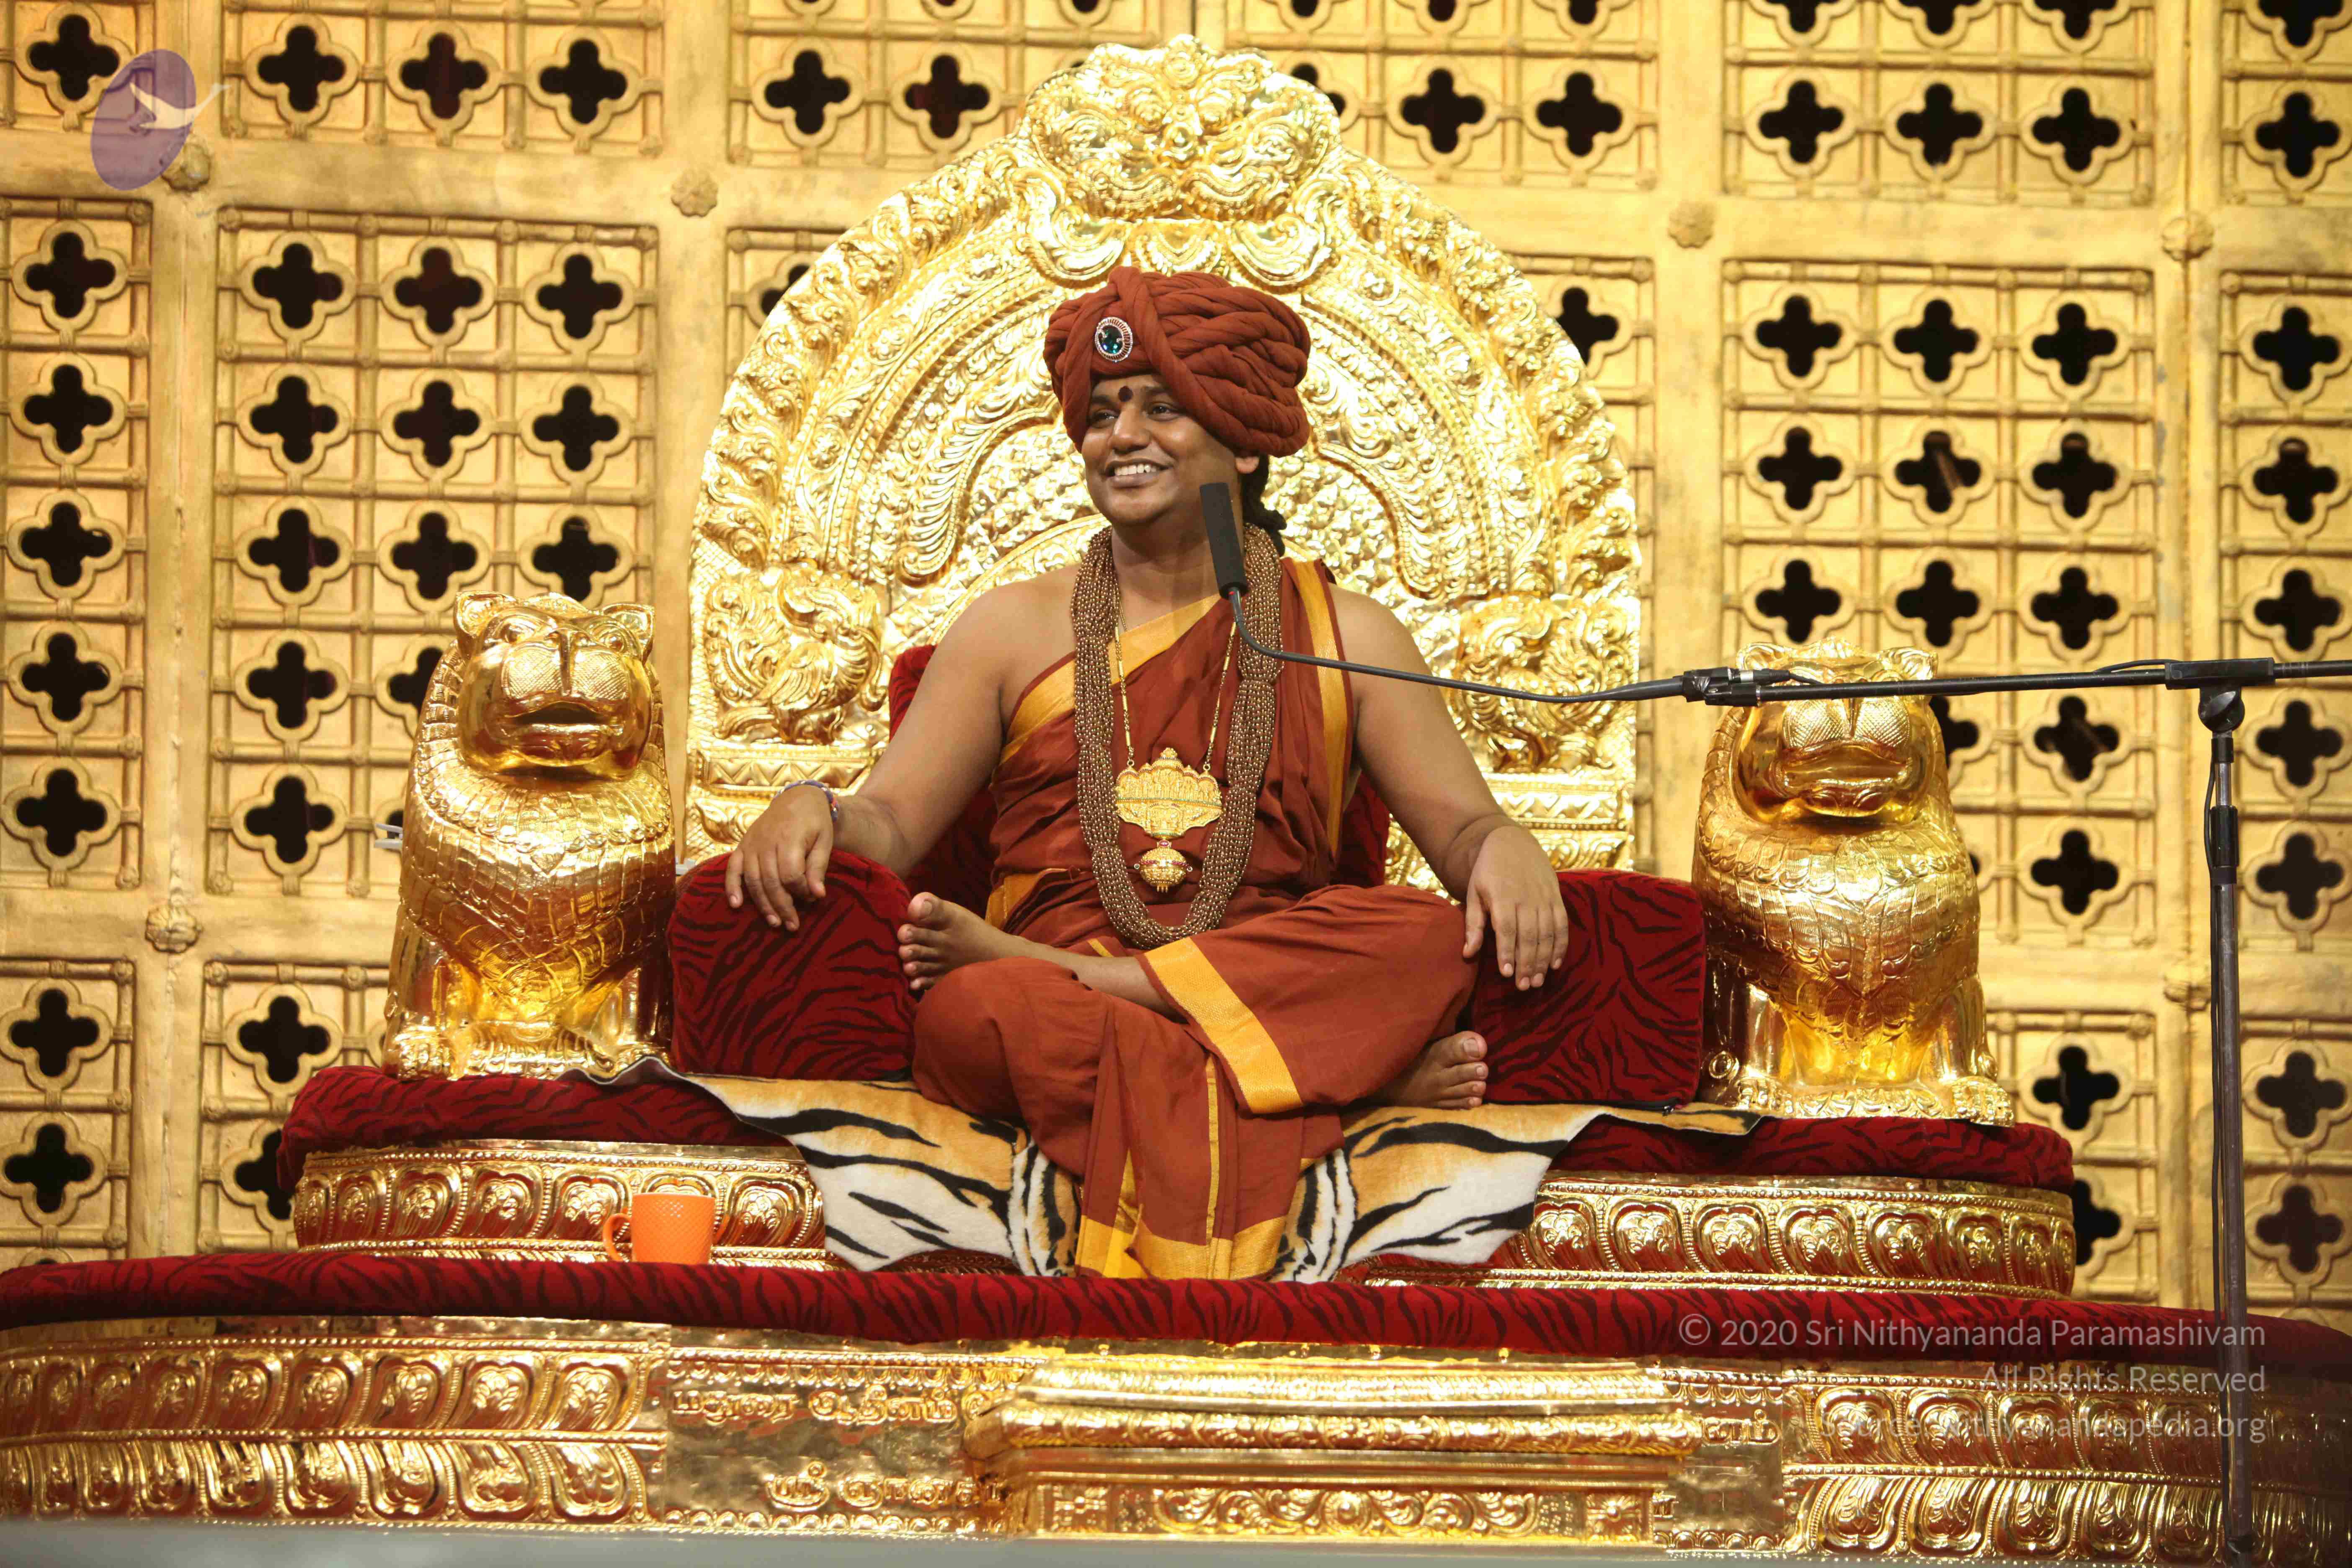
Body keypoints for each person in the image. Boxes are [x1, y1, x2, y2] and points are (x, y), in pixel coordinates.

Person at [722, 268, 1571, 1278]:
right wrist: (812, 806)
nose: (1122, 436)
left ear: (1247, 440)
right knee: (973, 1015)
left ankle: (1132, 998)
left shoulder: (1346, 634)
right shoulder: (1010, 627)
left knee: (1425, 937)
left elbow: (1463, 832)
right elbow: (895, 824)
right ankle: (1337, 1096)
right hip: (1059, 997)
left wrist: (1504, 844)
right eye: (1102, 414)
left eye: (1163, 409)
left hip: (1250, 970)